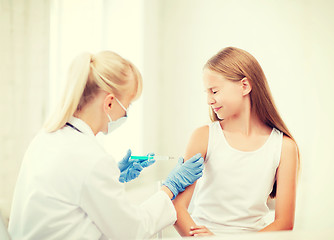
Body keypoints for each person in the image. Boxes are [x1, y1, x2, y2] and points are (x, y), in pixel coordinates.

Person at [8, 51, 204, 240]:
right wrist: (170, 187)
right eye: (129, 104)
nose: (126, 113)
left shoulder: (46, 137)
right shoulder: (92, 159)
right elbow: (133, 230)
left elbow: (72, 190)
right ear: (109, 103)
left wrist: (114, 177)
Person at [173, 47, 299, 237]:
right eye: (206, 92)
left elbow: (284, 223)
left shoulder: (285, 147)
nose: (209, 100)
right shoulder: (203, 137)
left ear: (245, 86)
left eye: (214, 91)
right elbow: (177, 208)